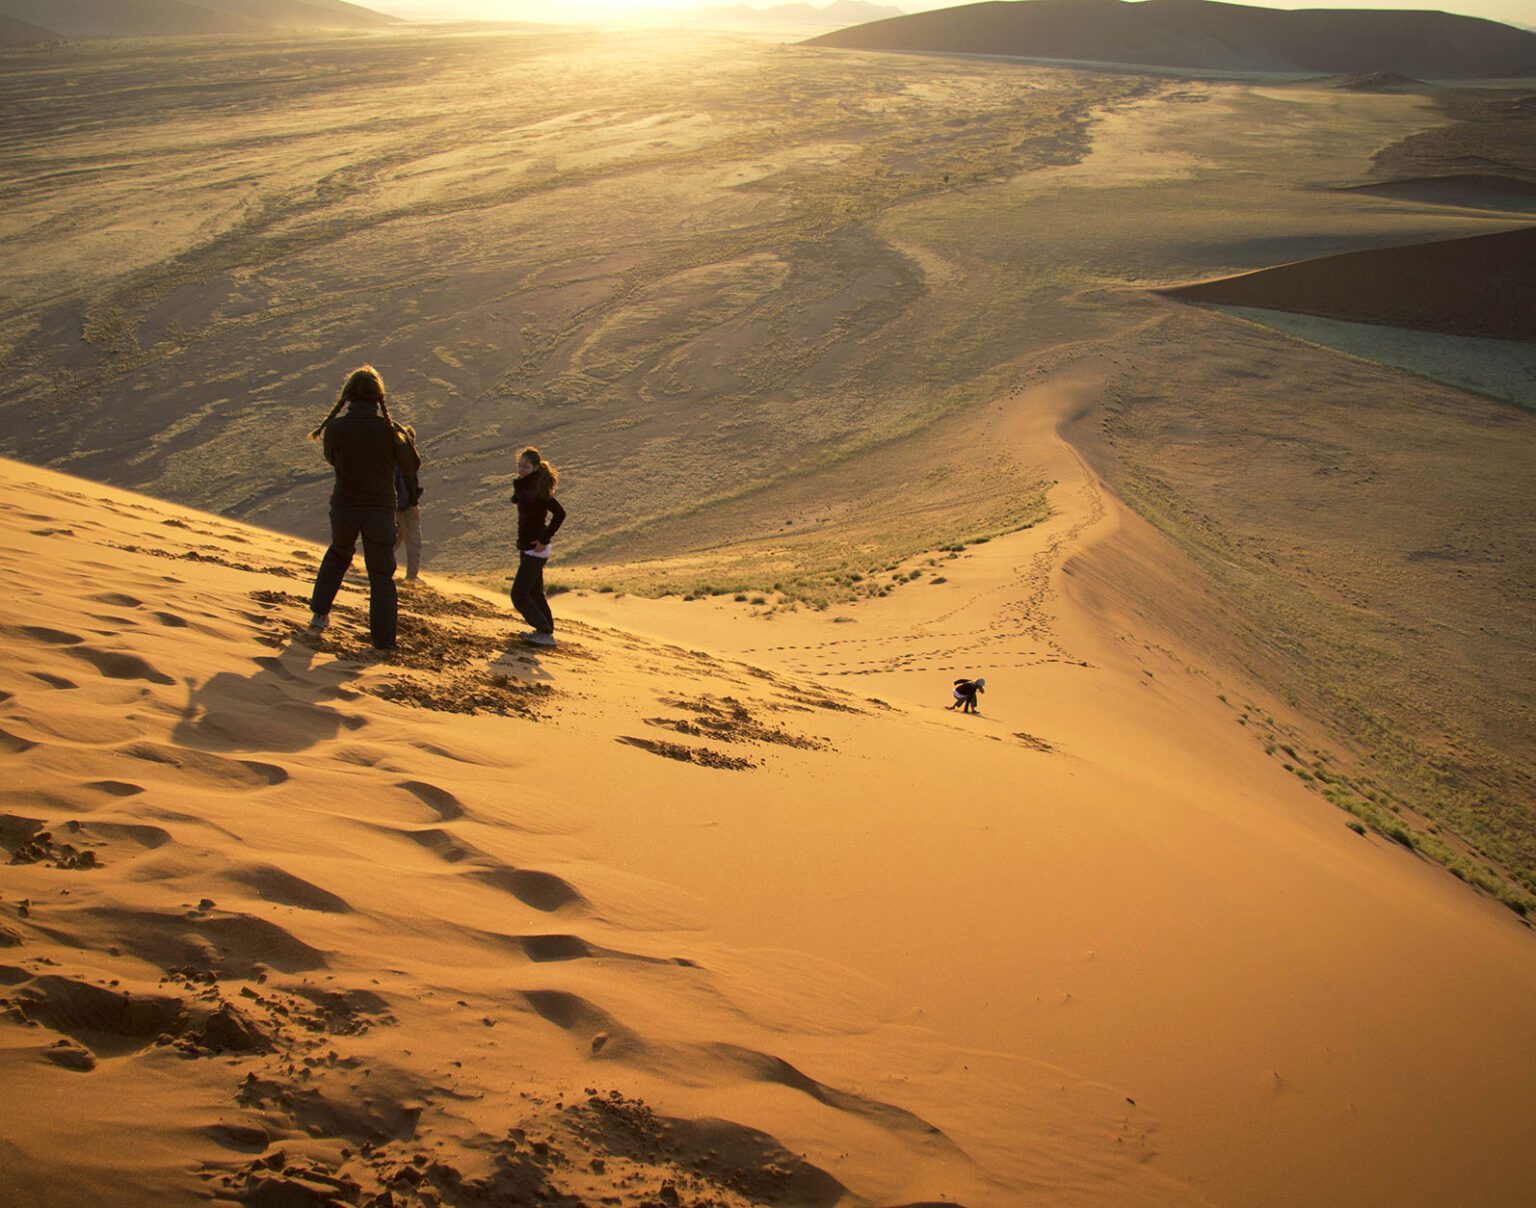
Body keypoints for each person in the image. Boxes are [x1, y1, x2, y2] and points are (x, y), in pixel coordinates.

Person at [306, 365, 420, 650]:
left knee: (338, 553)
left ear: (348, 395)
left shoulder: (336, 428)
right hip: (380, 511)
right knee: (381, 574)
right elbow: (411, 466)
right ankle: (383, 641)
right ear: (379, 397)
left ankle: (319, 615)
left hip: (344, 505)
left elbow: (332, 458)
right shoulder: (388, 431)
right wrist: (398, 434)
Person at [510, 446, 565, 648]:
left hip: (537, 549)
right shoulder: (525, 487)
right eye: (519, 466)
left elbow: (560, 514)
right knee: (534, 593)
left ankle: (544, 632)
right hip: (527, 548)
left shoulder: (538, 491)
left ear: (534, 468)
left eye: (526, 466)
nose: (521, 469)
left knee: (519, 595)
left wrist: (544, 538)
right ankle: (545, 629)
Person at [393, 424, 423, 582]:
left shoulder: (391, 455)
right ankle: (412, 577)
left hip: (391, 504)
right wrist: (413, 504)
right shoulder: (407, 459)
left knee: (397, 537)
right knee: (414, 540)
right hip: (405, 505)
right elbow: (409, 483)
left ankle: (381, 567)